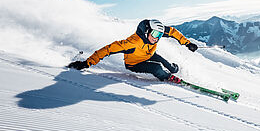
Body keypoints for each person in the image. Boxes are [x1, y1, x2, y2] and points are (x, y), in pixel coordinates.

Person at [68, 19, 198, 83]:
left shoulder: (154, 34)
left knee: (170, 66)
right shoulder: (132, 43)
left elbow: (173, 32)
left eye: (160, 35)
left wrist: (187, 43)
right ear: (147, 31)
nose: (156, 38)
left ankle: (172, 71)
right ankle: (167, 77)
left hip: (149, 54)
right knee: (157, 68)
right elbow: (107, 50)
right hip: (135, 63)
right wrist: (86, 63)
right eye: (154, 34)